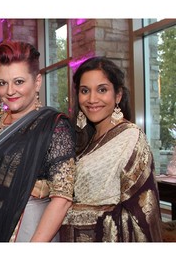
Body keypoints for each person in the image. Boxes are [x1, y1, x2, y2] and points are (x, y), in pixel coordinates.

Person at [0, 40, 76, 242]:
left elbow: (62, 198)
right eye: (2, 83)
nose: (10, 91)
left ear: (37, 82)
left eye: (19, 82)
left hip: (28, 231)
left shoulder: (54, 126)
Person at [60, 56, 163, 242]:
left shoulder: (131, 137)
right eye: (85, 90)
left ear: (118, 95)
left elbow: (143, 212)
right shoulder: (83, 139)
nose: (92, 99)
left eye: (102, 89)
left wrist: (72, 213)